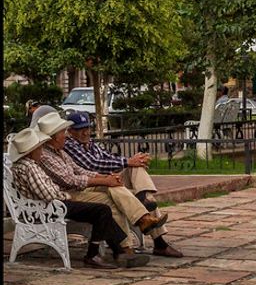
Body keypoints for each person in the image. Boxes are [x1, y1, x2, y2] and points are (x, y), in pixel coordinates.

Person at [35, 111, 166, 260]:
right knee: (111, 199)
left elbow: (80, 170)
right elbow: (71, 180)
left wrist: (106, 177)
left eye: (87, 128)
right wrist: (107, 179)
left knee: (126, 177)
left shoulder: (60, 151)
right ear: (53, 137)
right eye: (62, 132)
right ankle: (127, 246)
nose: (65, 135)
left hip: (83, 185)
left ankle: (144, 207)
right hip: (69, 194)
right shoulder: (49, 155)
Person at [8, 127, 142, 270]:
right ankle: (94, 255)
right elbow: (49, 195)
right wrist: (67, 195)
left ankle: (119, 251)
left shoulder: (29, 164)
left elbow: (72, 176)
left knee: (103, 210)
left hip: (53, 204)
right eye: (39, 147)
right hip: (51, 207)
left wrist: (104, 178)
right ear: (31, 151)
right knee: (102, 211)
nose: (41, 150)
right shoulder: (29, 167)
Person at [64, 111, 182, 257]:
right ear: (70, 131)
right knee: (114, 185)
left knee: (136, 167)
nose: (86, 132)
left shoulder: (91, 144)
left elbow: (110, 158)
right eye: (81, 129)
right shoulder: (69, 145)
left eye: (87, 128)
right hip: (89, 185)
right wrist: (126, 162)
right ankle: (148, 239)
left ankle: (144, 198)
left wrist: (131, 161)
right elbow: (92, 165)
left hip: (101, 178)